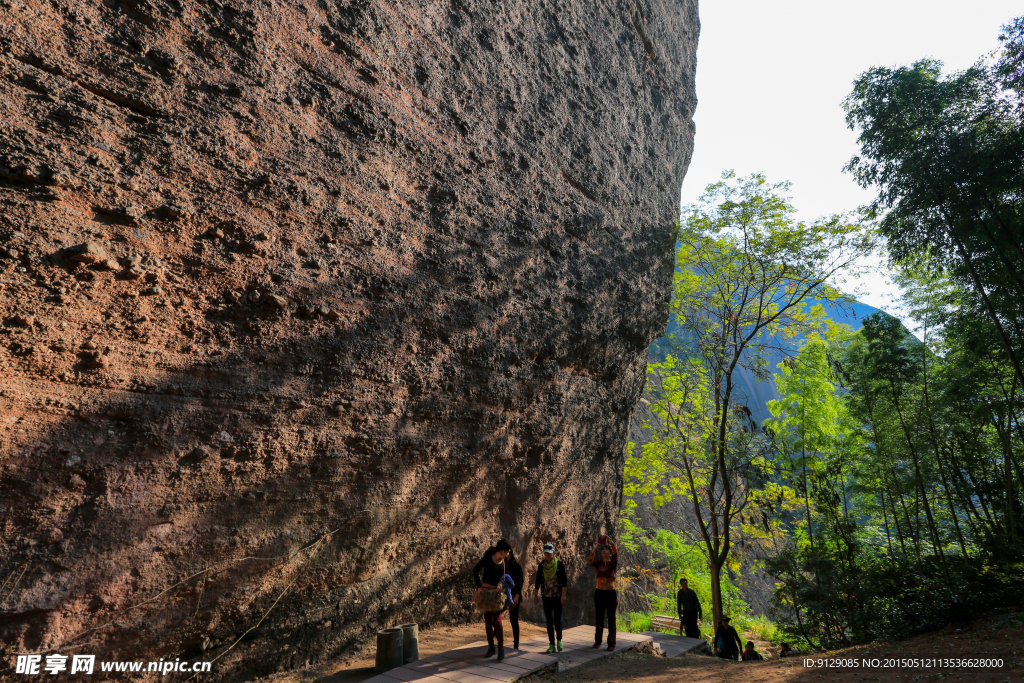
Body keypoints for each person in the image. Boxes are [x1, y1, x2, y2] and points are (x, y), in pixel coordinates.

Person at [473, 539, 511, 661]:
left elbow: (506, 576)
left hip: (497, 595)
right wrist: (479, 587)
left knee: (497, 620)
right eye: (507, 552)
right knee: (488, 621)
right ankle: (491, 647)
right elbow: (475, 570)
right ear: (501, 551)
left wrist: (501, 582)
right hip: (485, 594)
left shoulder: (505, 561)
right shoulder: (488, 558)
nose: (508, 555)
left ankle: (501, 649)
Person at [533, 542, 568, 653]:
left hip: (557, 596)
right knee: (549, 620)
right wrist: (535, 595)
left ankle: (559, 640)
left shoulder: (559, 564)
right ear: (543, 553)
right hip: (546, 596)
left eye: (549, 553)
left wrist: (563, 595)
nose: (547, 555)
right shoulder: (541, 565)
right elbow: (538, 581)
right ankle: (551, 643)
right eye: (545, 553)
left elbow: (564, 582)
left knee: (557, 620)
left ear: (553, 552)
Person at [588, 535, 618, 651]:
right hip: (599, 592)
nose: (604, 551)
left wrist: (610, 541)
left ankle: (611, 643)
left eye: (607, 550)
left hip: (610, 593)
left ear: (610, 553)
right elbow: (590, 561)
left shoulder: (613, 562)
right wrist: (594, 548)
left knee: (611, 618)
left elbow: (615, 551)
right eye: (603, 550)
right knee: (599, 618)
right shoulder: (598, 563)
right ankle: (598, 641)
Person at [506, 547, 524, 650]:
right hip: (504, 595)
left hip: (513, 596)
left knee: (513, 620)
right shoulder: (503, 566)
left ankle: (516, 643)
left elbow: (519, 582)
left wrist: (516, 596)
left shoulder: (516, 567)